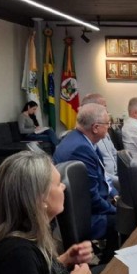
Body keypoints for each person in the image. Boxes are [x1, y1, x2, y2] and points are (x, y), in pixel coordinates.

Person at [53, 103, 119, 259]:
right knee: (122, 218)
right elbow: (92, 198)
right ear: (95, 127)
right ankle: (111, 264)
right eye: (107, 124)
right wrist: (114, 209)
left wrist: (114, 195)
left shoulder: (81, 140)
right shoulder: (81, 149)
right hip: (82, 215)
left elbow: (102, 177)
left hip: (82, 205)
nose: (109, 128)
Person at [81, 93, 137, 212]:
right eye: (104, 107)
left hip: (118, 172)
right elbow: (101, 172)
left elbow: (115, 153)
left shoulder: (104, 132)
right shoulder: (90, 138)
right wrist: (123, 178)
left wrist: (126, 172)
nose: (107, 110)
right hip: (111, 178)